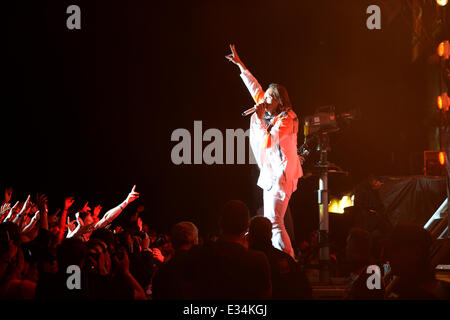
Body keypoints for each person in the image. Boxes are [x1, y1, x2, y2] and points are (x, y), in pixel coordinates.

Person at [226, 44, 303, 258]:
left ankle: (288, 261)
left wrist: (260, 121)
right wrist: (240, 65)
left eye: (269, 98)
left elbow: (269, 142)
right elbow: (255, 88)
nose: (264, 100)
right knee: (273, 221)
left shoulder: (288, 118)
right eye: (266, 97)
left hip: (281, 176)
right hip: (272, 175)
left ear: (280, 100)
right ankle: (283, 260)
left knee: (275, 223)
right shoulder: (274, 111)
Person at [184, 200, 271, 300]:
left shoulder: (197, 254)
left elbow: (187, 289)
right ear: (247, 226)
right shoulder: (258, 260)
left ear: (220, 223)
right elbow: (266, 295)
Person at [248, 216, 311, 299]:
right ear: (271, 234)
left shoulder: (244, 261)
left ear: (250, 235)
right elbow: (304, 287)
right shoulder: (286, 259)